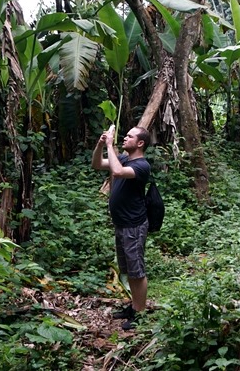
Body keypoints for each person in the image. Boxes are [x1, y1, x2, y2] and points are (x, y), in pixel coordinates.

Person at [91, 125, 151, 330]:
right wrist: (101, 145)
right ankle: (134, 307)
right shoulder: (124, 158)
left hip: (134, 225)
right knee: (128, 270)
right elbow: (98, 164)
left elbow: (116, 171)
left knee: (137, 271)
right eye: (124, 135)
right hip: (122, 224)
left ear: (140, 143)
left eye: (129, 136)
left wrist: (110, 143)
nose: (124, 138)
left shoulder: (142, 165)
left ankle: (140, 314)